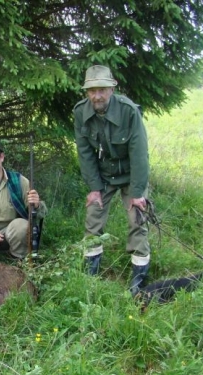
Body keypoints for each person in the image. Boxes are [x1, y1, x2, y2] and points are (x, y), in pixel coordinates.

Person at [74, 65, 150, 296]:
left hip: (131, 174)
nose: (97, 96)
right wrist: (94, 188)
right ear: (86, 92)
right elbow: (85, 153)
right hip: (104, 176)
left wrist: (138, 193)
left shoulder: (128, 111)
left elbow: (139, 153)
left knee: (137, 219)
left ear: (112, 88)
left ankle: (139, 277)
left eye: (102, 90)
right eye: (92, 91)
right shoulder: (80, 112)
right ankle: (91, 273)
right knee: (93, 219)